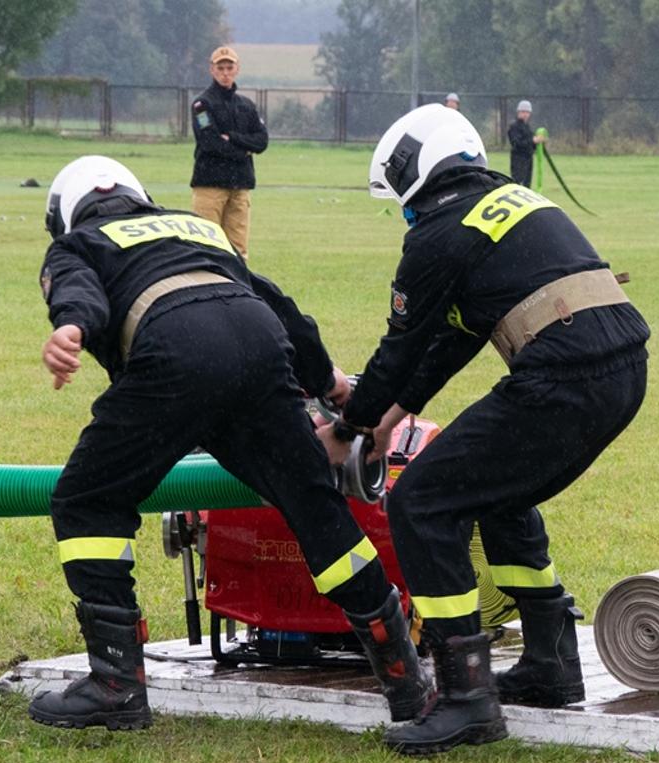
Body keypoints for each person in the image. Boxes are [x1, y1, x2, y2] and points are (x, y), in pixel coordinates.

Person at [27, 155, 428, 730]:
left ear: (65, 215)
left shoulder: (78, 243)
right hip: (259, 347)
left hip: (174, 355)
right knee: (316, 508)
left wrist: (70, 326)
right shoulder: (197, 229)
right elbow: (277, 304)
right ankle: (407, 684)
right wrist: (330, 383)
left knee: (87, 501)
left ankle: (115, 684)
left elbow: (79, 293)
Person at [321, 105, 649, 756]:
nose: (403, 211)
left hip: (565, 375)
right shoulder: (512, 203)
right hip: (622, 369)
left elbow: (400, 347)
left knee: (422, 501)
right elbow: (451, 342)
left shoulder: (438, 231)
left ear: (414, 174)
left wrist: (351, 426)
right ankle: (552, 664)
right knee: (497, 495)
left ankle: (465, 699)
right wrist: (389, 421)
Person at [189, 47, 266, 260]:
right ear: (212, 70)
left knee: (238, 251)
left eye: (229, 68)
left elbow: (261, 141)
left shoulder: (247, 105)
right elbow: (210, 142)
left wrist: (231, 137)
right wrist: (244, 151)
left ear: (237, 69)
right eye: (220, 68)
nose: (225, 73)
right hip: (210, 186)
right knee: (207, 247)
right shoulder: (202, 105)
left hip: (240, 186)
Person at [506, 100, 545, 187]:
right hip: (518, 159)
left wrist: (538, 143)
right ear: (518, 112)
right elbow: (516, 143)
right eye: (523, 112)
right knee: (518, 183)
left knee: (527, 184)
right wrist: (532, 141)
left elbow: (531, 144)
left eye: (527, 112)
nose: (525, 114)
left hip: (528, 159)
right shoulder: (514, 126)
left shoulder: (527, 127)